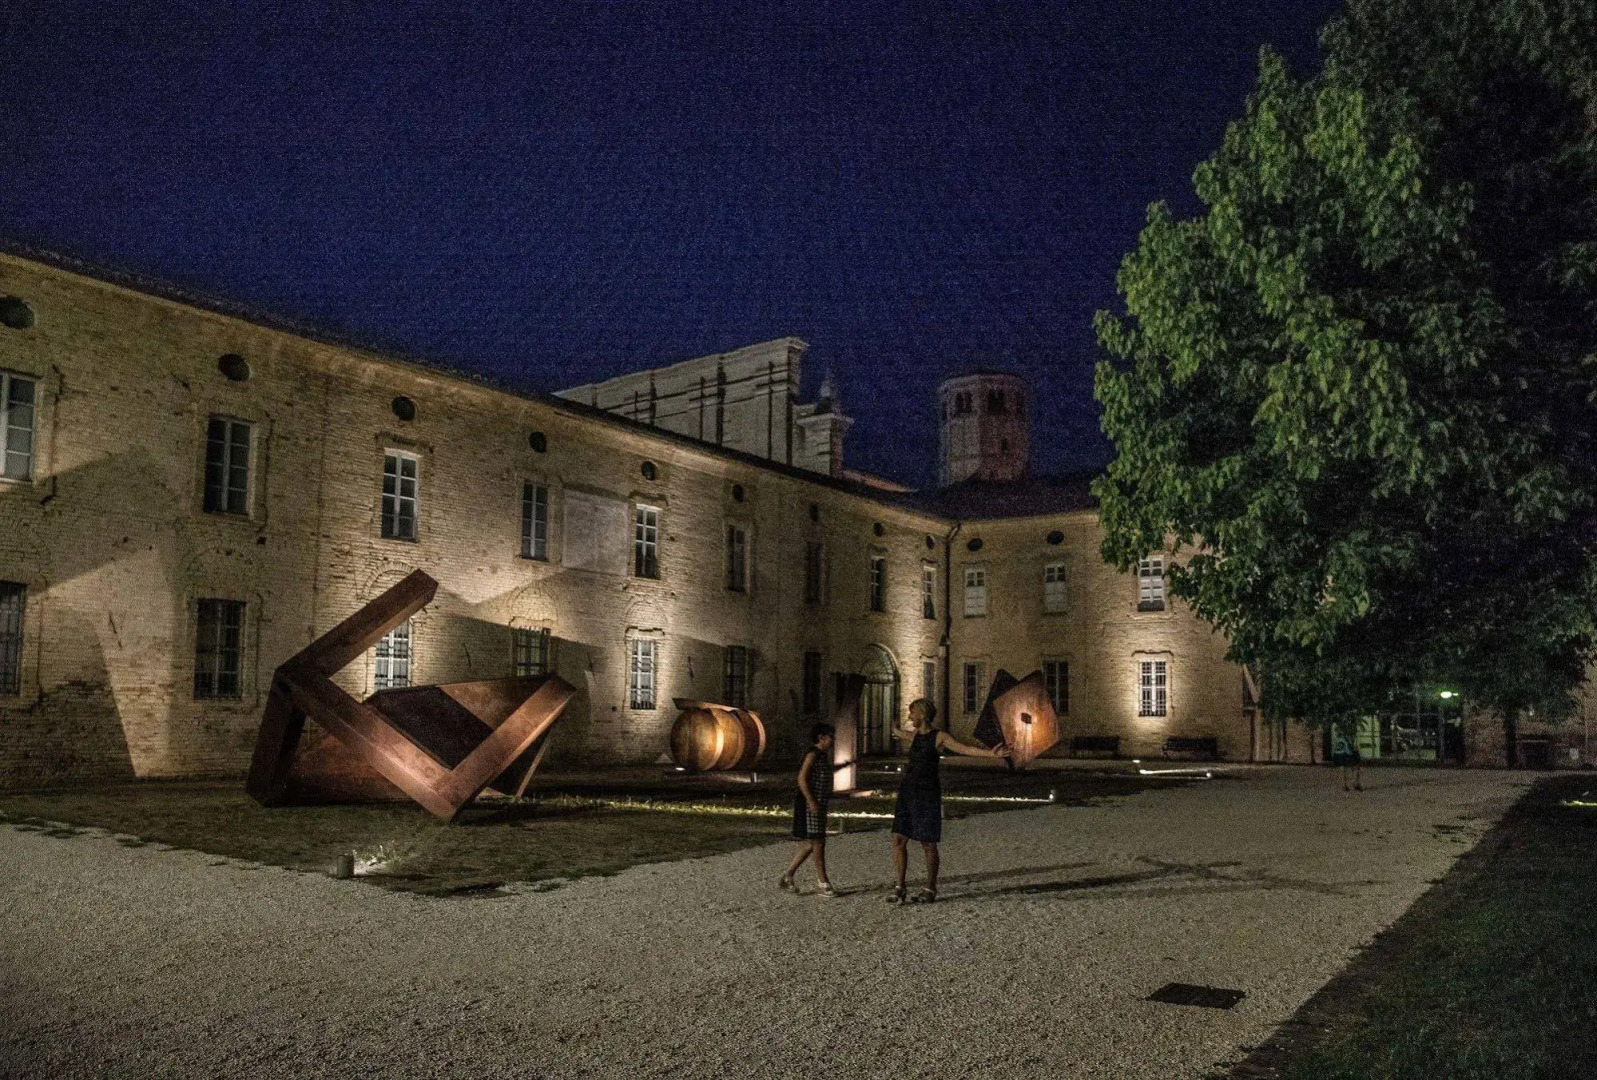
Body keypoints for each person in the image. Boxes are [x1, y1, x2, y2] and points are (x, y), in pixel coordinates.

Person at [888, 698, 1009, 904]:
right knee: (899, 840)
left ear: (923, 714)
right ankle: (900, 886)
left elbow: (963, 748)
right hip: (908, 791)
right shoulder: (915, 735)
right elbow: (900, 733)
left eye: (912, 713)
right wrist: (894, 726)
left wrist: (990, 754)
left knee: (927, 842)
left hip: (927, 793)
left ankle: (930, 887)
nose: (910, 716)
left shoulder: (939, 737)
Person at [781, 722, 836, 897]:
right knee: (818, 842)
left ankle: (788, 876)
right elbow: (802, 778)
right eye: (830, 736)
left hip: (819, 803)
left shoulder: (821, 756)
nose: (833, 740)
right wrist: (811, 801)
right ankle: (823, 882)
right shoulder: (812, 754)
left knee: (810, 844)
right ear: (821, 737)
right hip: (810, 804)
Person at [1330, 722, 1363, 791]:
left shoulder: (1334, 724)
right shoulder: (1347, 723)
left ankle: (1344, 785)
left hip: (1338, 750)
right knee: (1356, 764)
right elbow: (1350, 739)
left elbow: (1334, 738)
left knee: (1342, 766)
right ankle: (1355, 782)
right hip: (1347, 750)